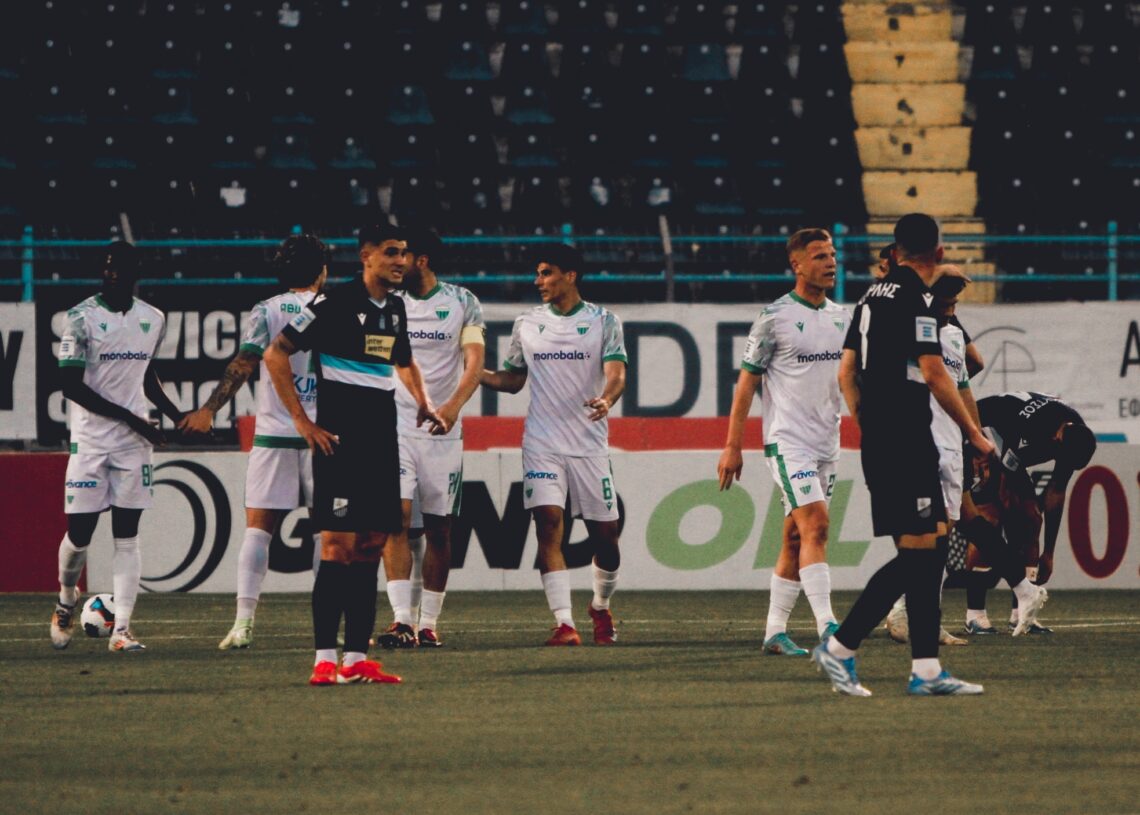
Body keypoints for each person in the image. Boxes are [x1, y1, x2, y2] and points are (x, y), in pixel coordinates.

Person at [820, 213, 996, 696]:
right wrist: (976, 435)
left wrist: (868, 422)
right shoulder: (917, 302)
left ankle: (926, 670)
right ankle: (840, 647)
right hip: (904, 438)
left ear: (894, 251)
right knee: (920, 553)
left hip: (889, 436)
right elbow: (935, 373)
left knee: (932, 548)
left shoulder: (869, 297)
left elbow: (847, 371)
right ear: (938, 252)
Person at [264, 222, 442, 685]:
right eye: (391, 252)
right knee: (337, 547)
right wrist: (303, 422)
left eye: (404, 253)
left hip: (382, 441)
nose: (401, 261)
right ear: (366, 256)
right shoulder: (334, 302)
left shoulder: (396, 308)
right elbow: (276, 354)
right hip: (340, 443)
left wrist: (424, 403)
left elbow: (404, 360)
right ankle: (325, 659)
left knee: (370, 546)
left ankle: (356, 659)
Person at [179, 234, 329, 650]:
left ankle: (243, 624)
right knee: (327, 534)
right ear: (322, 271)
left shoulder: (267, 310)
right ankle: (328, 624)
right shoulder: (337, 307)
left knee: (258, 531)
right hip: (324, 434)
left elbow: (244, 363)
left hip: (274, 434)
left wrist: (208, 409)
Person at [481, 244, 627, 646]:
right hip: (541, 442)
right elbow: (513, 379)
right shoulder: (527, 323)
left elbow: (616, 374)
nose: (538, 281)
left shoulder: (603, 321)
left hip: (589, 445)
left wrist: (607, 399)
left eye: (546, 273)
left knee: (606, 540)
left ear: (570, 275)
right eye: (538, 273)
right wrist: (475, 373)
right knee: (547, 524)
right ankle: (564, 623)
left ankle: (600, 606)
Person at [717, 228, 848, 656]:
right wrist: (733, 445)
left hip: (827, 441)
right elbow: (746, 384)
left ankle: (774, 632)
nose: (830, 262)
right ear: (797, 265)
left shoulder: (842, 318)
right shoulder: (774, 317)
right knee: (817, 525)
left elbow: (850, 381)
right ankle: (829, 626)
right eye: (820, 256)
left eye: (832, 254)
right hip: (788, 442)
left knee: (795, 535)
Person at [50, 241, 185, 653]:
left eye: (120, 266)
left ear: (134, 272)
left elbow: (145, 374)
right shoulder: (80, 318)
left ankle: (121, 630)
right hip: (91, 442)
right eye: (107, 266)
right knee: (80, 535)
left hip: (132, 446)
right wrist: (132, 418)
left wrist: (176, 414)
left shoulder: (153, 318)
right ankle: (65, 600)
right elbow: (70, 385)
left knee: (127, 536)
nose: (112, 272)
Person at [375, 227, 485, 649]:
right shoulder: (388, 303)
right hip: (396, 427)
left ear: (421, 260)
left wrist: (452, 408)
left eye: (404, 255)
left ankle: (429, 624)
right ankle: (401, 620)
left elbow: (474, 362)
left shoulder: (463, 302)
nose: (397, 261)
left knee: (440, 529)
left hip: (443, 432)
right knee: (396, 519)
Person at [882, 272, 977, 648]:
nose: (952, 307)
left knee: (944, 534)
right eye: (946, 300)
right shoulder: (909, 331)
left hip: (952, 445)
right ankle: (908, 613)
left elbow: (963, 389)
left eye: (955, 302)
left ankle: (918, 614)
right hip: (919, 442)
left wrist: (975, 436)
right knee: (927, 536)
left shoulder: (953, 337)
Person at [959, 392, 1096, 636]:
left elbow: (1056, 492)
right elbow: (1005, 475)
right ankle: (975, 615)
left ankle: (1021, 616)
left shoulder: (1074, 437)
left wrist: (1049, 553)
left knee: (1031, 520)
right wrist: (1007, 503)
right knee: (989, 517)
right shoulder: (1032, 426)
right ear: (1057, 438)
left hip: (1010, 451)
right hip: (980, 432)